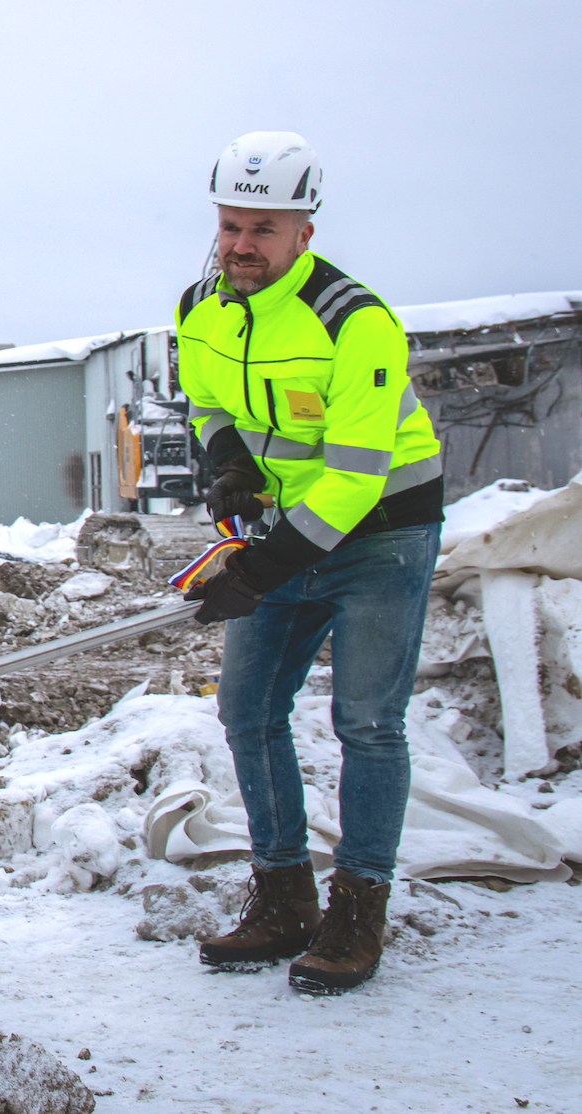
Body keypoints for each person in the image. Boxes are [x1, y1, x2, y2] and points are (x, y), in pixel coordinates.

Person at [174, 134, 445, 994]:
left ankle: (358, 911)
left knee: (367, 723)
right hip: (290, 527)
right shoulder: (200, 305)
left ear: (302, 229)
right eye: (229, 225)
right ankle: (283, 896)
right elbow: (206, 398)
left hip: (382, 535)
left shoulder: (350, 318)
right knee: (248, 709)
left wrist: (261, 570)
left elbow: (359, 476)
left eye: (262, 227)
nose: (240, 244)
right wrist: (226, 462)